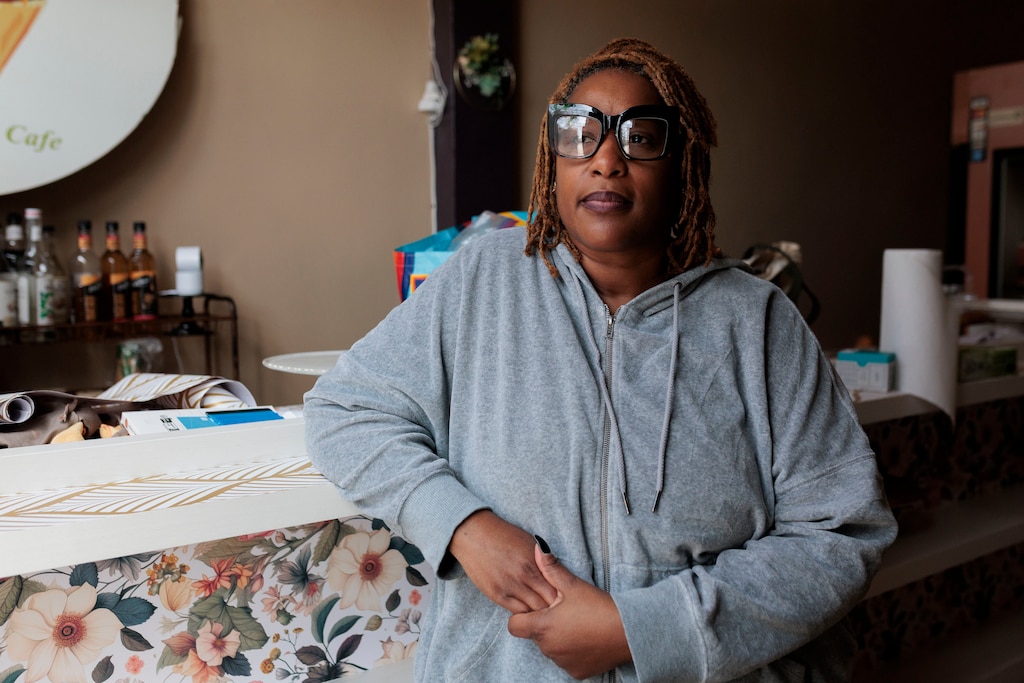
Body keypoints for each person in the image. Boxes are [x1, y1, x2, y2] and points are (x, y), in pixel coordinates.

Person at [304, 37, 896, 682]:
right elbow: (345, 408)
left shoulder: (757, 322)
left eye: (641, 137)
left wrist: (639, 631)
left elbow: (839, 534)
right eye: (579, 132)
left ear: (683, 164)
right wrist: (463, 526)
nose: (606, 160)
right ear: (551, 160)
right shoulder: (483, 280)